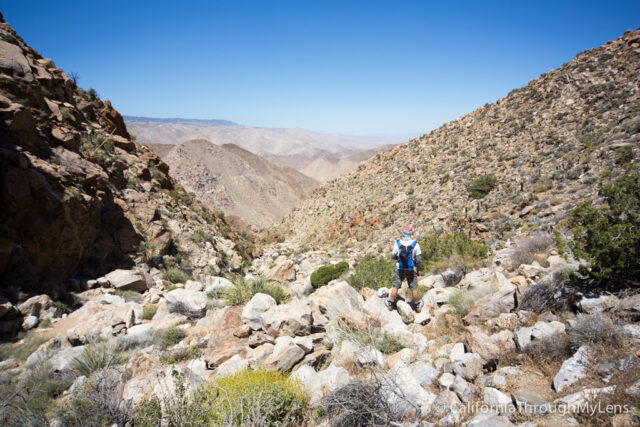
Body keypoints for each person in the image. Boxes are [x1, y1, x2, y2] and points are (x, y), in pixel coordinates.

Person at [386, 226, 424, 312]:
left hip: (400, 268)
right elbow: (418, 260)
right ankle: (417, 305)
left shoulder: (398, 243)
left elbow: (393, 256)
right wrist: (418, 270)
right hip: (411, 269)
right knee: (413, 287)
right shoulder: (415, 244)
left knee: (396, 286)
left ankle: (390, 303)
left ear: (403, 233)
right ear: (411, 233)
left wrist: (399, 258)